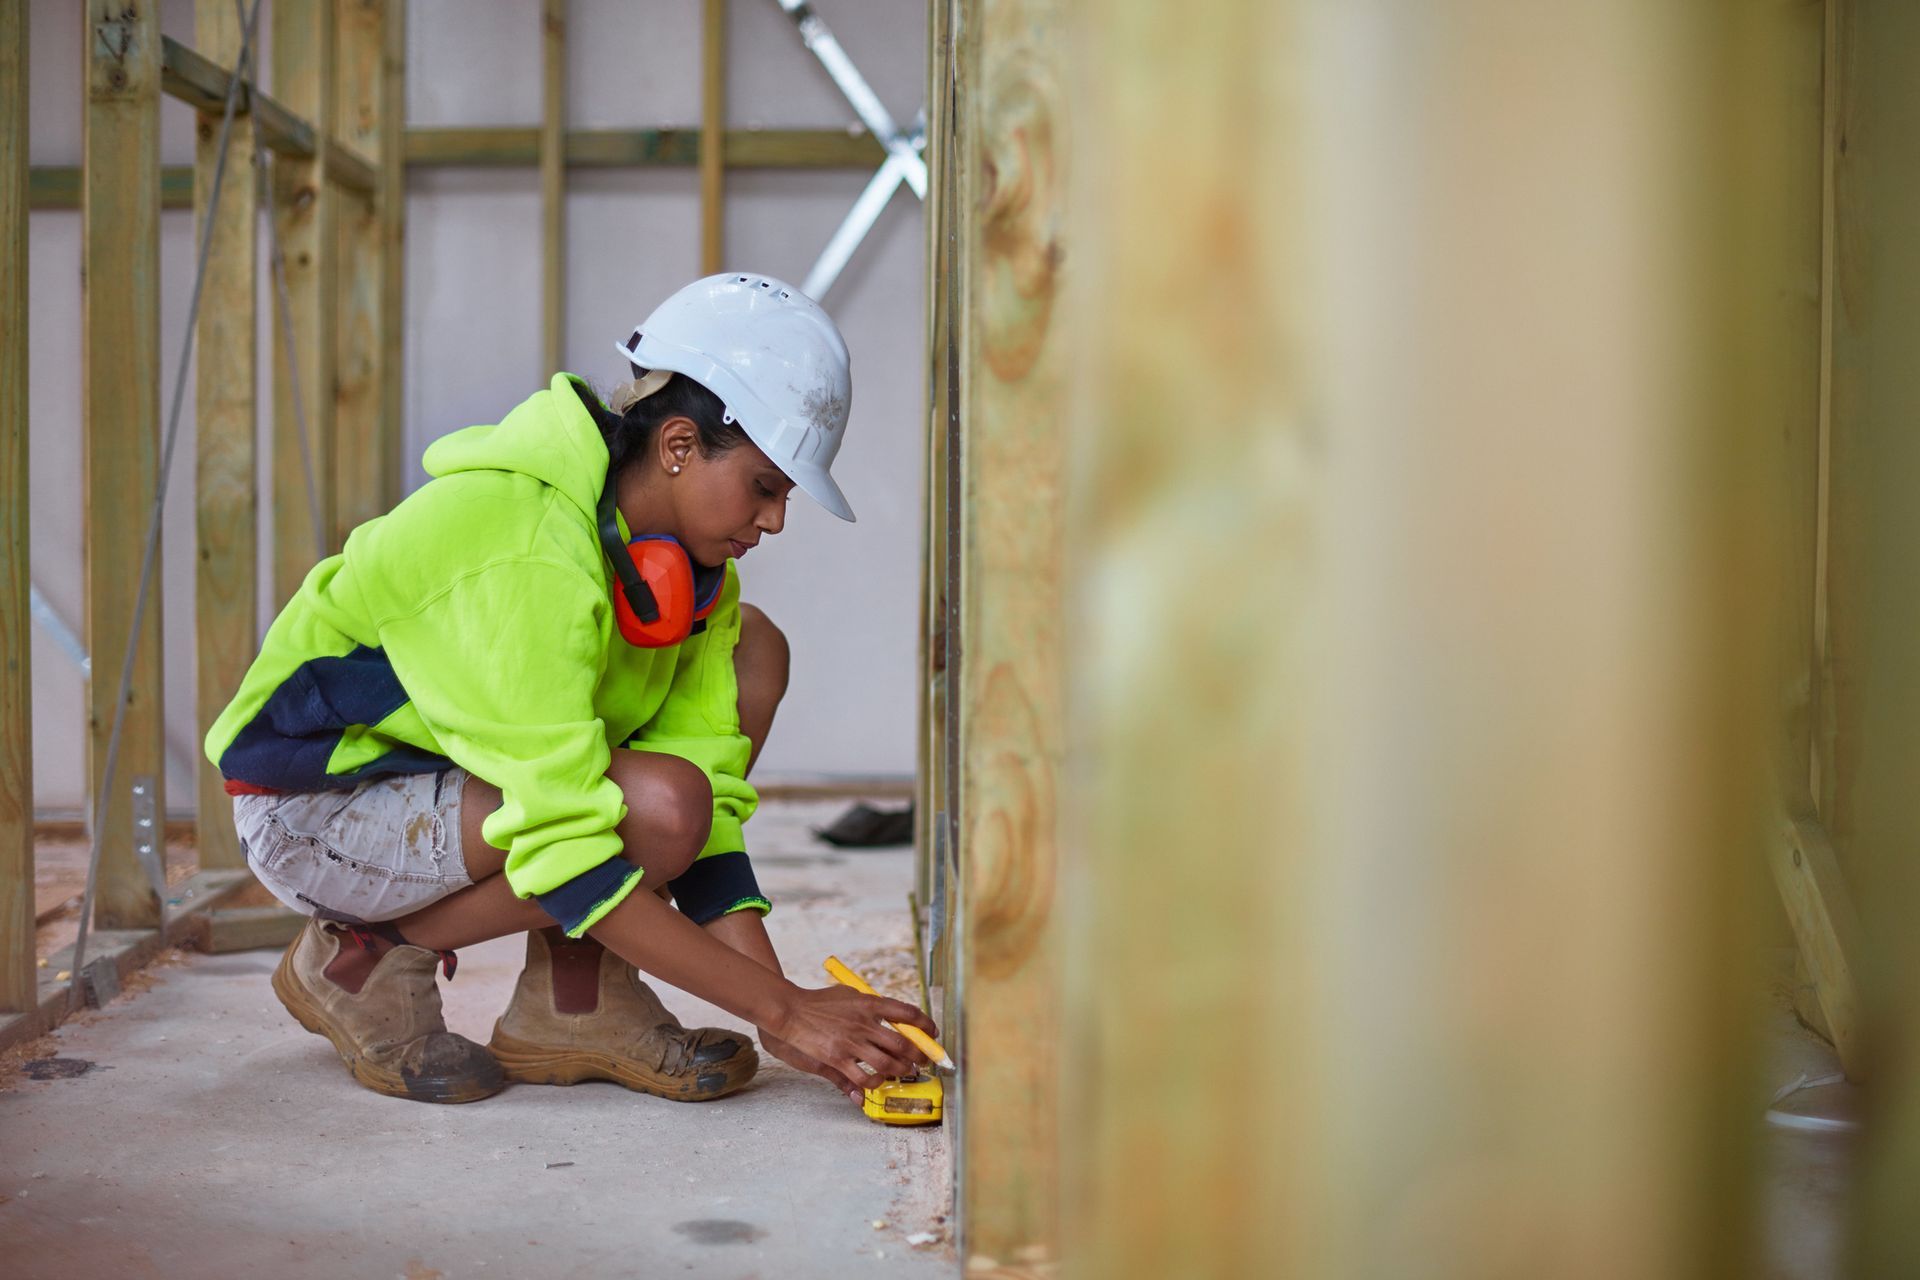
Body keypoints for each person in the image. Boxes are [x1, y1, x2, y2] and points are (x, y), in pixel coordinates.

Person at [203, 273, 936, 1105]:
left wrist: (786, 1017)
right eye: (765, 486)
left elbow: (707, 820)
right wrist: (787, 1008)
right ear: (680, 446)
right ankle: (365, 957)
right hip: (314, 806)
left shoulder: (695, 579)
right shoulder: (526, 547)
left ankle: (576, 1003)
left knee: (747, 664)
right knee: (653, 806)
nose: (774, 520)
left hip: (451, 792)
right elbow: (572, 841)